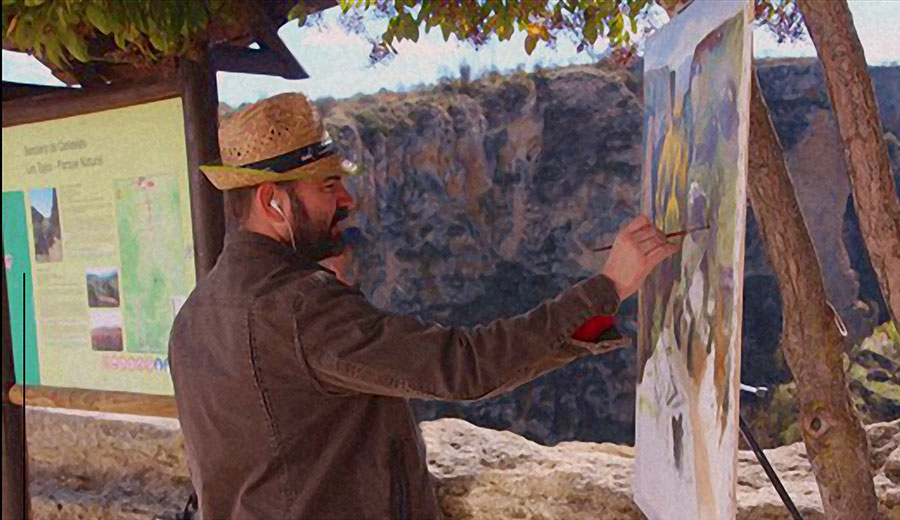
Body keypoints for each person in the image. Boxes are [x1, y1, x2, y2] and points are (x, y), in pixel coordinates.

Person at [169, 93, 679, 519]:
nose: (347, 200)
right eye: (327, 186)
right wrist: (608, 287)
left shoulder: (194, 315)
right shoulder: (300, 308)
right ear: (271, 202)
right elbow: (463, 367)